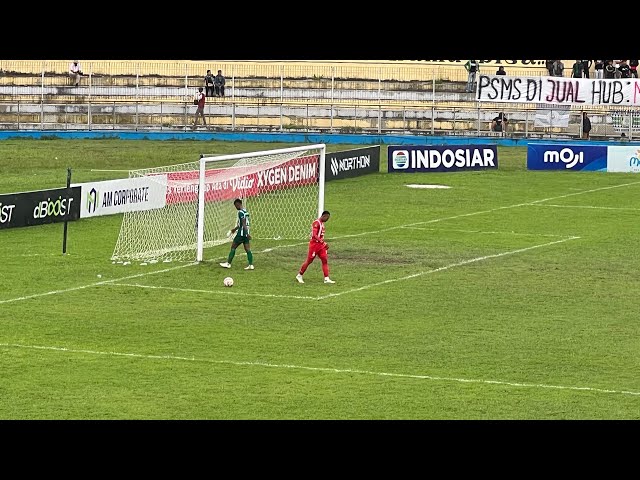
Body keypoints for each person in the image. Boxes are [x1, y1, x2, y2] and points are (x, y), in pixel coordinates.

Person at [296, 210, 335, 284]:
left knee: (324, 260)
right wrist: (323, 242)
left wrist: (323, 244)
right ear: (324, 216)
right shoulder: (316, 223)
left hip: (320, 245)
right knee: (309, 261)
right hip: (314, 245)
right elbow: (314, 235)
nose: (327, 219)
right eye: (327, 217)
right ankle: (299, 275)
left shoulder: (322, 224)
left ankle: (326, 278)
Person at [220, 198, 254, 270]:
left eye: (235, 206)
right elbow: (241, 224)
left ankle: (228, 263)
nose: (236, 208)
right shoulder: (246, 212)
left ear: (238, 204)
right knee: (247, 249)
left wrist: (246, 233)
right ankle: (251, 265)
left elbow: (243, 224)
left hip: (241, 234)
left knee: (233, 247)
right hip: (245, 233)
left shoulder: (240, 212)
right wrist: (234, 230)